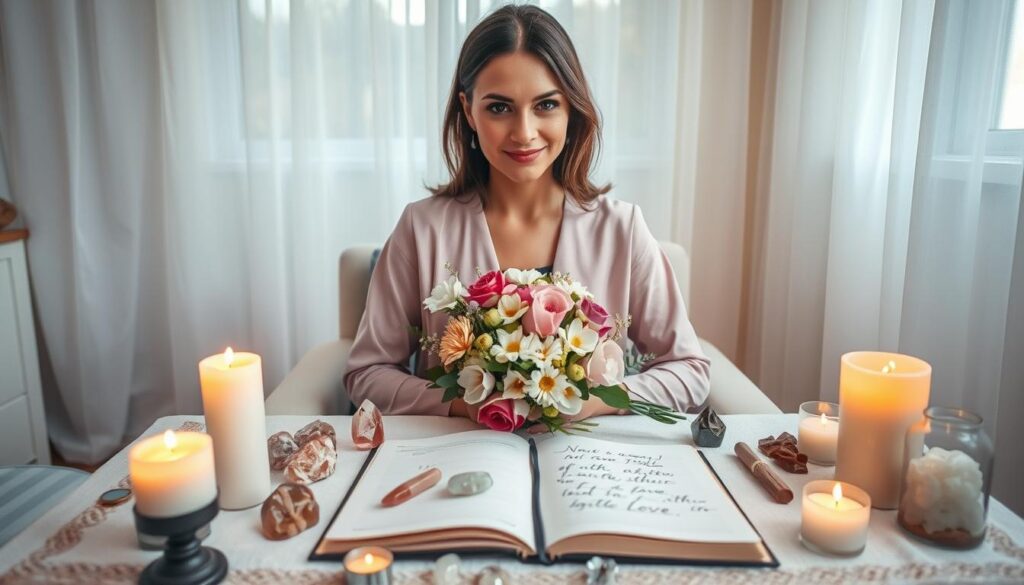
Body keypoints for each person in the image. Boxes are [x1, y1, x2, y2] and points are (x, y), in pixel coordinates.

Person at [344, 4, 710, 424]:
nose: (524, 132)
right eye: (499, 108)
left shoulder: (622, 229)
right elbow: (366, 374)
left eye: (546, 105)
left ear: (571, 109)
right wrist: (462, 405)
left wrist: (596, 401)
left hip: (590, 456)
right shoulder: (421, 228)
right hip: (455, 453)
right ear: (468, 110)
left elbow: (690, 372)